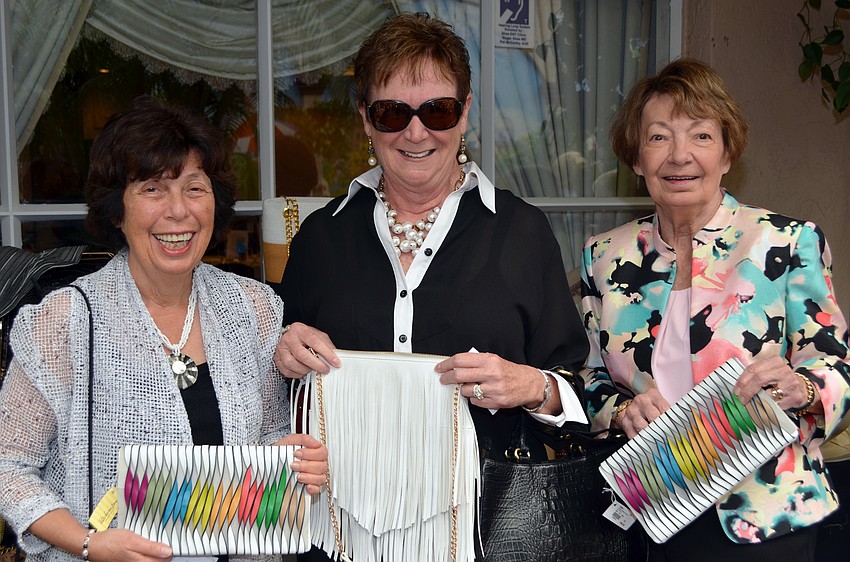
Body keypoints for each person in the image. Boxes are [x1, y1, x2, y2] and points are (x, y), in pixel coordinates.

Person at [272, 12, 589, 560]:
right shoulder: (320, 239)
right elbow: (277, 390)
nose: (415, 132)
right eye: (393, 113)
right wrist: (283, 353)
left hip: (486, 532)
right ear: (366, 121)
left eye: (436, 110)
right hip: (336, 533)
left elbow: (576, 391)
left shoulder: (522, 232)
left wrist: (533, 386)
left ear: (465, 113)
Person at [0, 96, 328, 562]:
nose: (178, 212)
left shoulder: (253, 309)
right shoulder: (63, 324)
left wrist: (294, 461)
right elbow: (8, 466)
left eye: (194, 188)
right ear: (118, 209)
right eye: (152, 190)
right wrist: (90, 543)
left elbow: (267, 438)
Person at [579, 58, 850, 561]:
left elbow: (837, 365)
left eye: (701, 136)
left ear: (728, 154)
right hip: (652, 511)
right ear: (636, 158)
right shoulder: (604, 256)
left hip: (767, 516)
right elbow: (590, 378)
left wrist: (804, 386)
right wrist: (620, 412)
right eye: (659, 137)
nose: (680, 156)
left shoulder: (787, 242)